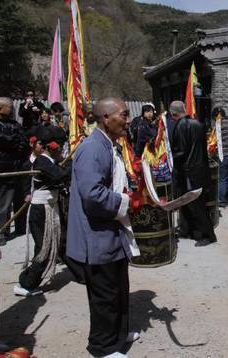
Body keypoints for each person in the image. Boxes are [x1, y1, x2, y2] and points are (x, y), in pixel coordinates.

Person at [66, 97, 140, 358]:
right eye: (124, 114)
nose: (128, 120)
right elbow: (93, 194)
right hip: (95, 236)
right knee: (105, 294)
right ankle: (103, 347)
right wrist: (127, 202)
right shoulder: (93, 148)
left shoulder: (109, 145)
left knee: (119, 287)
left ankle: (118, 334)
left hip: (111, 231)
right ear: (106, 118)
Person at [14, 126, 71, 296]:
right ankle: (26, 283)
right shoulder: (41, 162)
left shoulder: (50, 162)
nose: (61, 148)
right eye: (60, 145)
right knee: (44, 248)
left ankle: (30, 281)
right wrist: (73, 166)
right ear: (52, 146)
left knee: (53, 244)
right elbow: (59, 176)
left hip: (49, 208)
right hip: (40, 211)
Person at [171, 101, 217, 247]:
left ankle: (208, 235)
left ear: (173, 114)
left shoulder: (180, 125)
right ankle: (188, 230)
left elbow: (181, 151)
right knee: (191, 204)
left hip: (188, 170)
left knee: (196, 205)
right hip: (200, 169)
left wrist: (170, 157)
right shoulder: (198, 124)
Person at [0, 97, 28, 246]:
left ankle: (20, 227)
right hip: (1, 168)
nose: (12, 110)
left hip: (17, 166)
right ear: (0, 108)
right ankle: (1, 230)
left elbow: (22, 141)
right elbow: (4, 140)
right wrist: (11, 140)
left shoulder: (15, 124)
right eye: (9, 107)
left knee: (19, 198)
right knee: (2, 201)